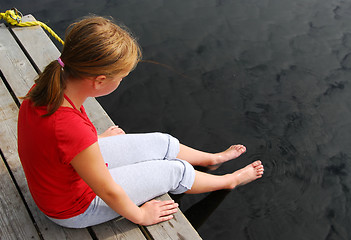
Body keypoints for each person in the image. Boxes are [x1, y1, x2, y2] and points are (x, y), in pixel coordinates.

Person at [17, 16, 264, 228]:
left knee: (161, 142)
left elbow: (54, 141)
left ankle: (211, 160)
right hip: (74, 208)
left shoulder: (50, 87)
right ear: (99, 81)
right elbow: (108, 191)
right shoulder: (71, 130)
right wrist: (141, 215)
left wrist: (95, 141)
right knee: (174, 171)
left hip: (63, 175)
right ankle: (229, 181)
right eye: (122, 77)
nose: (122, 81)